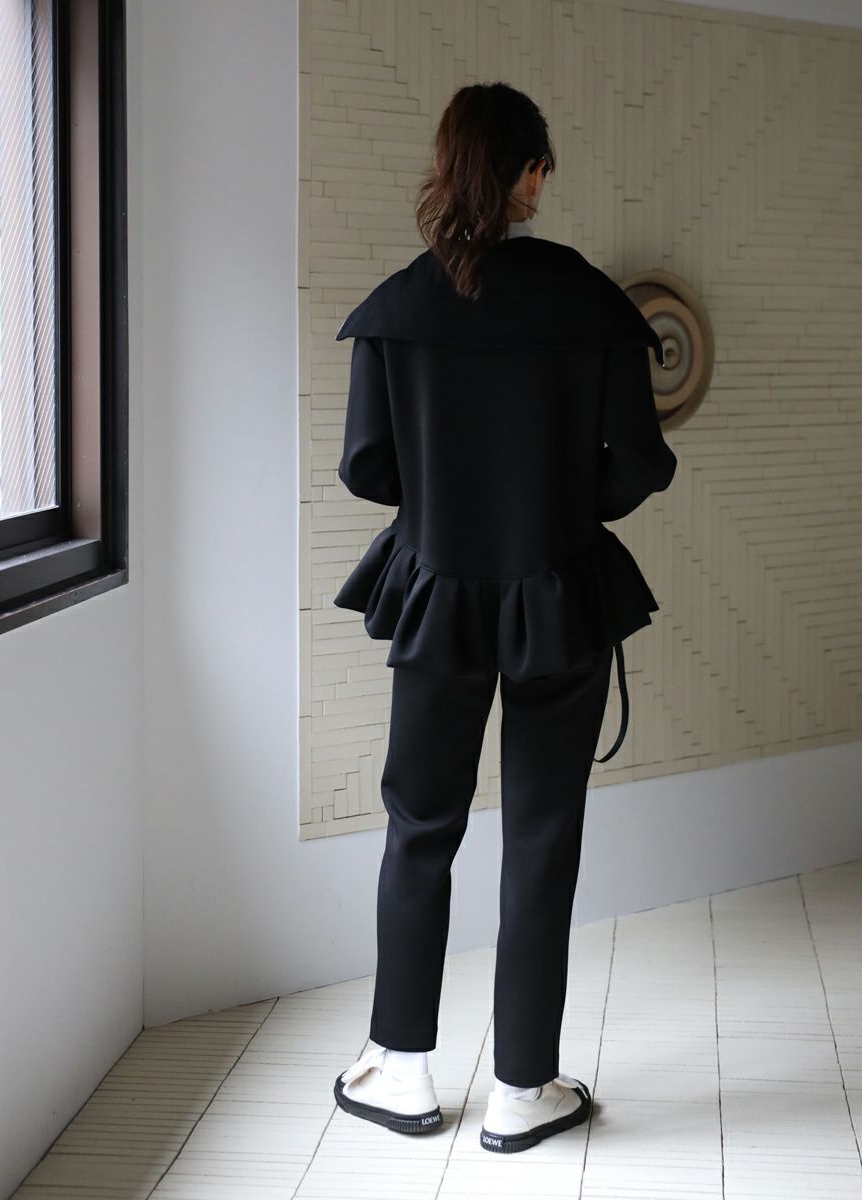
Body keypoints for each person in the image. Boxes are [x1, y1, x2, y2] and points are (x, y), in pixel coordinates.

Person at [329, 81, 677, 1154]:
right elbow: (641, 463)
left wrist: (449, 500)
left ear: (447, 168)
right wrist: (560, 506)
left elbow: (367, 468)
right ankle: (524, 1087)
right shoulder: (589, 303)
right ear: (529, 175)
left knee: (419, 826)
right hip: (557, 598)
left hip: (437, 594)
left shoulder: (397, 308)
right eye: (541, 165)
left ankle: (400, 1068)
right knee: (542, 834)